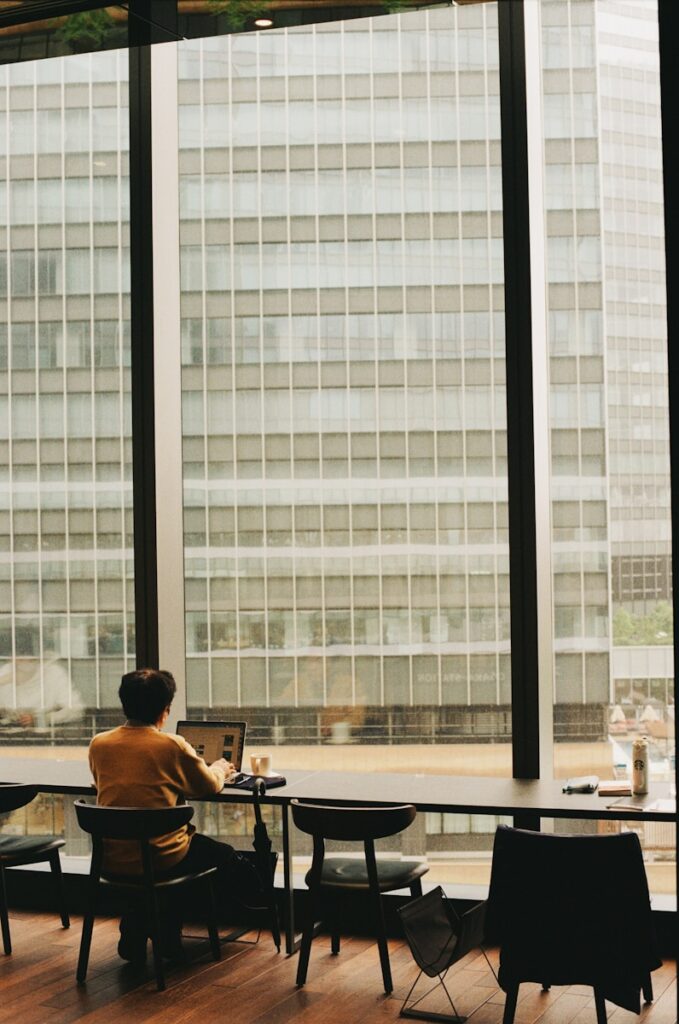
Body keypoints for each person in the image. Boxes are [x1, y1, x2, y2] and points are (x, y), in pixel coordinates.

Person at [88, 667, 263, 964]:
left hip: (111, 857)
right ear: (165, 710)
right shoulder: (171, 745)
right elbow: (207, 785)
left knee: (164, 852)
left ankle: (141, 924)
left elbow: (100, 783)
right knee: (224, 856)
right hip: (161, 857)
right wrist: (221, 768)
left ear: (124, 704)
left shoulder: (100, 743)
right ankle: (167, 929)